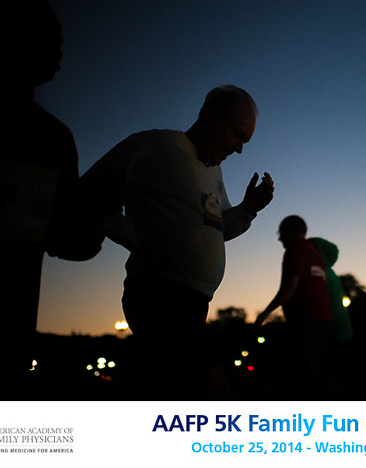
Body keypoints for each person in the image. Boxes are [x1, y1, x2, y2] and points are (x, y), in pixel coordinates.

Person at [81, 84, 274, 399]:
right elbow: (91, 195)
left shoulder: (214, 171)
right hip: (160, 298)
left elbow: (218, 229)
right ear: (211, 118)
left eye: (245, 141)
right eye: (237, 134)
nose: (240, 149)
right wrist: (138, 242)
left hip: (193, 306)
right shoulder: (154, 147)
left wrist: (248, 208)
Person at [0, 0, 100, 399]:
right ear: (1, 36)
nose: (60, 44)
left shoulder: (57, 138)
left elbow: (70, 239)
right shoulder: (51, 137)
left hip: (5, 347)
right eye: (48, 32)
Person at [255, 215, 333, 399]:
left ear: (290, 230)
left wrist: (265, 314)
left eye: (281, 233)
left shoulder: (295, 249)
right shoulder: (314, 252)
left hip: (307, 320)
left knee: (303, 379)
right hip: (324, 320)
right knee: (317, 375)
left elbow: (289, 287)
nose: (280, 238)